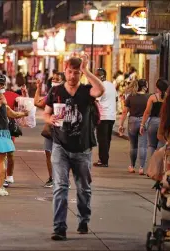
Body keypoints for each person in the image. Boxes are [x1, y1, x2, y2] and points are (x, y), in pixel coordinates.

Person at [44, 54, 104, 241]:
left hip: (83, 148)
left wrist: (87, 71)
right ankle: (59, 227)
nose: (72, 76)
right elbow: (45, 113)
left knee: (83, 188)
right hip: (60, 146)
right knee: (60, 186)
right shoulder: (56, 91)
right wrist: (50, 119)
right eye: (70, 72)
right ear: (65, 70)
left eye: (76, 73)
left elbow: (100, 90)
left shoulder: (87, 91)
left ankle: (83, 219)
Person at [34, 73, 64, 187]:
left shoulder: (67, 94)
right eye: (54, 79)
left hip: (63, 129)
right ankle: (52, 178)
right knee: (48, 152)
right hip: (51, 129)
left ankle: (62, 178)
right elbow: (37, 103)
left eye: (58, 79)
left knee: (62, 155)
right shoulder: (51, 94)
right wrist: (38, 88)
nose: (55, 81)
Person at [118, 79, 149, 174]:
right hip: (144, 122)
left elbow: (124, 112)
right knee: (143, 146)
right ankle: (141, 168)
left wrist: (121, 124)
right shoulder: (149, 97)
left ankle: (132, 166)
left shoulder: (131, 97)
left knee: (133, 146)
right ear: (145, 87)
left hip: (132, 121)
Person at [94, 68, 117, 167]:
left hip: (103, 116)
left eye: (96, 75)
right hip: (112, 116)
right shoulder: (111, 85)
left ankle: (103, 161)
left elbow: (96, 100)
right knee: (107, 139)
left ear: (101, 76)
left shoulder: (100, 86)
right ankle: (105, 158)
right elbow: (116, 98)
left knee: (102, 139)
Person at [140, 79, 168, 159]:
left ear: (157, 87)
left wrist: (142, 124)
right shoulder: (169, 98)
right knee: (161, 145)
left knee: (151, 146)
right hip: (163, 123)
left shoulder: (153, 97)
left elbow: (147, 112)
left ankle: (151, 168)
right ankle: (158, 168)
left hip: (153, 122)